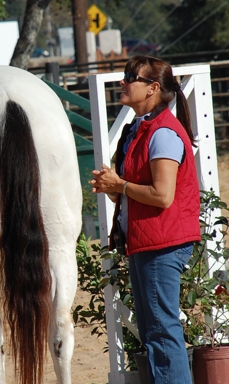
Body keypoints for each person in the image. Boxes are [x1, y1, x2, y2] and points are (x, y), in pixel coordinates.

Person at [91, 55, 200, 384]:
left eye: (130, 76)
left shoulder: (163, 132)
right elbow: (135, 193)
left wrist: (120, 185)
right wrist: (114, 188)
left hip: (162, 243)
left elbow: (162, 195)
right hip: (149, 241)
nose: (123, 82)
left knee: (162, 333)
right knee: (155, 332)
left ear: (153, 88)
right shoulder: (140, 128)